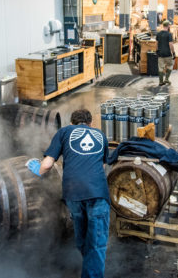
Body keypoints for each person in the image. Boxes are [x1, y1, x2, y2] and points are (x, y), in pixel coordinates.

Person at [26, 109, 111, 278]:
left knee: (82, 238)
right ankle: (92, 271)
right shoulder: (100, 135)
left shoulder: (64, 132)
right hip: (97, 193)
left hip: (73, 194)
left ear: (71, 123)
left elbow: (47, 165)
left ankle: (89, 267)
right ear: (90, 124)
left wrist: (34, 166)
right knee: (97, 244)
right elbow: (102, 166)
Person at [156, 20, 175, 86]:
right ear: (168, 26)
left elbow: (156, 43)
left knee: (160, 67)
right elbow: (171, 44)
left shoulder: (158, 34)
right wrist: (173, 52)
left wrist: (157, 50)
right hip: (167, 54)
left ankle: (161, 82)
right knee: (170, 65)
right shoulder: (169, 34)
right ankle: (166, 79)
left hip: (160, 53)